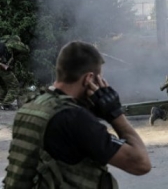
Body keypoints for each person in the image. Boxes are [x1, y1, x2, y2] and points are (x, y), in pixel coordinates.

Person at [3, 41, 151, 188]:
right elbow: (141, 163)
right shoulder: (75, 119)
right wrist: (115, 114)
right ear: (88, 79)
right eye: (99, 80)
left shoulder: (31, 107)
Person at [0, 35, 30, 110]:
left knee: (4, 86)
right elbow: (25, 49)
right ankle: (6, 104)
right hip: (2, 67)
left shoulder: (2, 42)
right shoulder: (12, 42)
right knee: (14, 86)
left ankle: (2, 102)